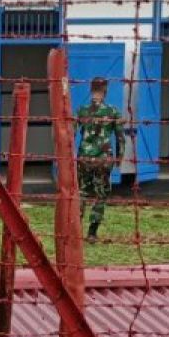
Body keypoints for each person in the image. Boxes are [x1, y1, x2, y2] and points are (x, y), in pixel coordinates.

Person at [76, 76, 126, 243]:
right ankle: (92, 232)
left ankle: (75, 229)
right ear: (105, 91)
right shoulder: (113, 111)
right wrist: (120, 156)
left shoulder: (82, 110)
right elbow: (120, 137)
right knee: (100, 195)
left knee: (81, 192)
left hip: (84, 157)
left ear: (91, 90)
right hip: (104, 159)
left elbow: (71, 133)